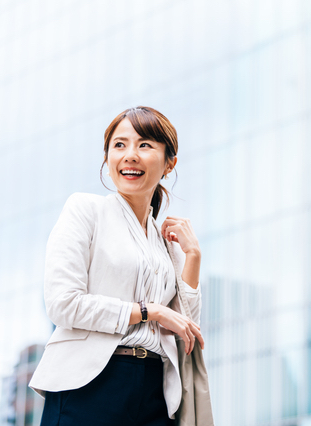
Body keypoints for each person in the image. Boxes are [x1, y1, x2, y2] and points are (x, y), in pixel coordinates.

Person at [29, 106, 205, 425]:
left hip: (155, 391)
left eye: (145, 145)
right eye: (120, 145)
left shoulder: (168, 241)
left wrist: (192, 256)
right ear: (108, 158)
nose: (130, 155)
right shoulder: (85, 210)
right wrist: (149, 311)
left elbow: (187, 330)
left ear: (169, 163)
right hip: (89, 385)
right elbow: (62, 304)